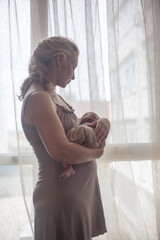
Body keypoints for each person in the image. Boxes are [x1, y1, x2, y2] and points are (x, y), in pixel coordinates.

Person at [19, 36, 110, 240]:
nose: (74, 76)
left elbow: (73, 134)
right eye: (73, 66)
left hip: (73, 199)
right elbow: (62, 151)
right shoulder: (38, 98)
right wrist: (98, 152)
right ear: (60, 60)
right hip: (60, 202)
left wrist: (101, 122)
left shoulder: (51, 95)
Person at [60, 114, 110, 181]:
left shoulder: (87, 126)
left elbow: (77, 125)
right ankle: (68, 167)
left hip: (91, 136)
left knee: (76, 134)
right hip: (91, 142)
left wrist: (104, 121)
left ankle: (68, 166)